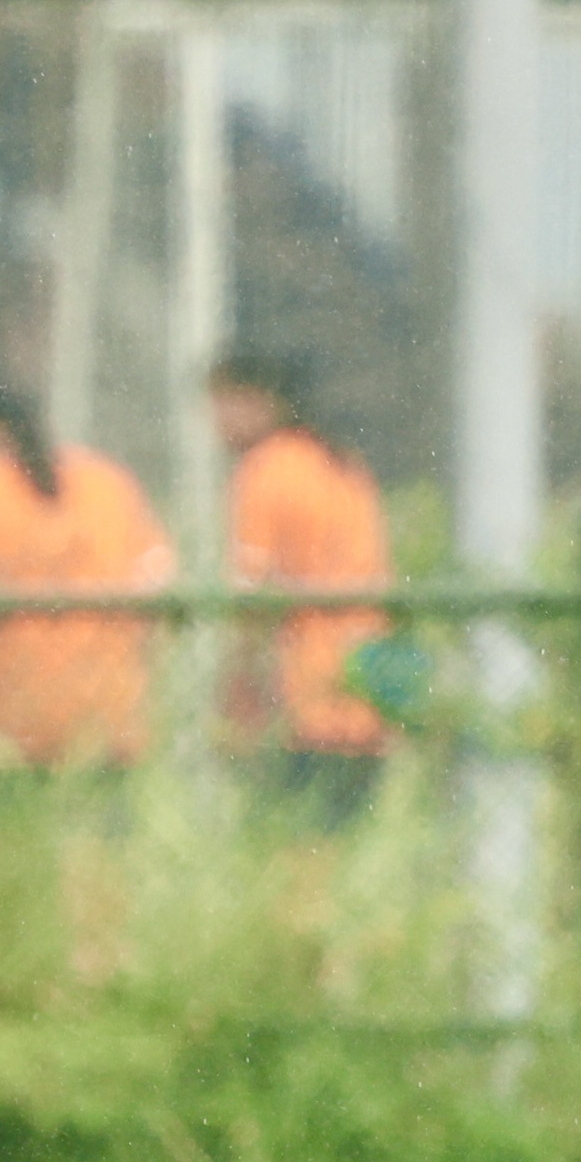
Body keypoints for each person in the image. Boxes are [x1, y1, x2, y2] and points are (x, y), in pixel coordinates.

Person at [0, 386, 172, 790]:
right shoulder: (107, 482)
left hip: (14, 720)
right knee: (101, 827)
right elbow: (156, 598)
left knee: (10, 828)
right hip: (108, 716)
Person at [207, 351, 393, 833]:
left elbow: (253, 599)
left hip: (302, 701)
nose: (216, 424)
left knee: (288, 847)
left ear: (261, 401)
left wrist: (237, 695)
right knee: (341, 846)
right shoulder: (342, 465)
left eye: (224, 404)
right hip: (365, 695)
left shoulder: (265, 470)